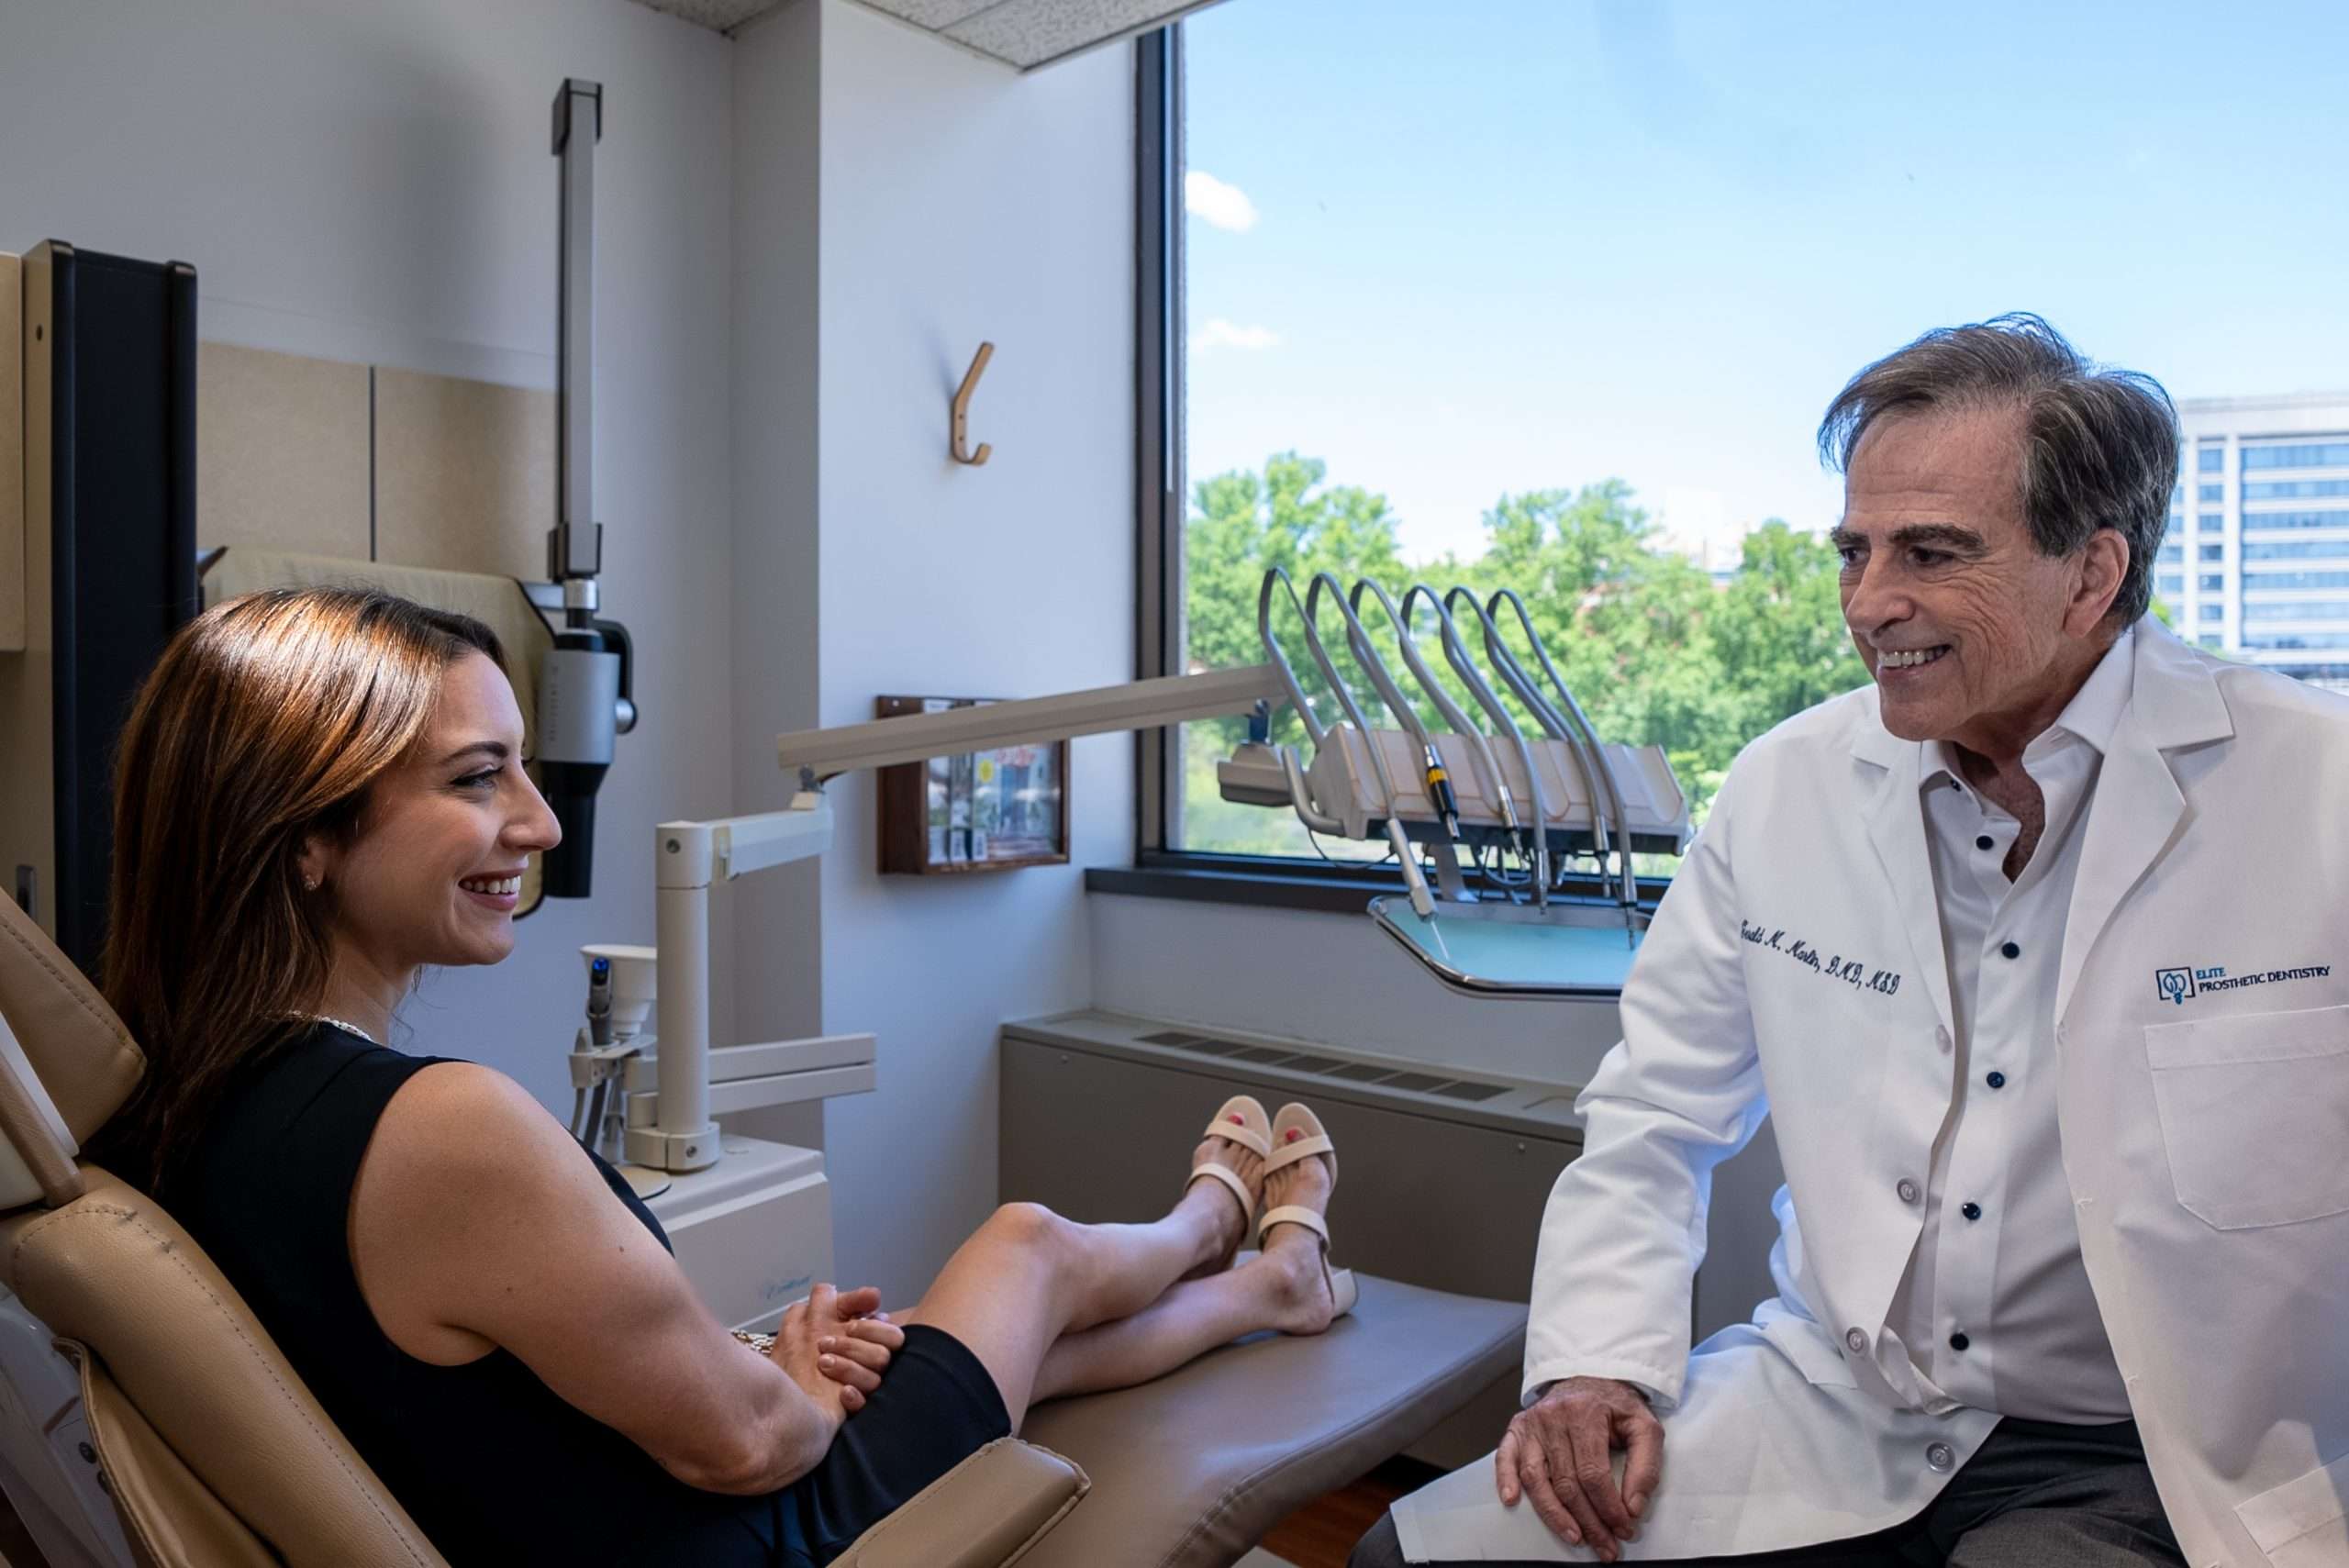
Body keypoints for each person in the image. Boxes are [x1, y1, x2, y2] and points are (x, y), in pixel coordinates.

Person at [1353, 316, 2349, 1567]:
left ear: (2091, 575)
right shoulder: (1785, 789)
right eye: (1856, 550)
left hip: (2158, 1447)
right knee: (1411, 1554)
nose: (1872, 602)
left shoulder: (2317, 791)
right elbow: (1657, 1109)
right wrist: (1598, 1359)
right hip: (1836, 1406)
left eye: (1933, 552)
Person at [91, 586, 1353, 1567]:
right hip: (756, 1535)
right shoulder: (436, 1127)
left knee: (928, 1339)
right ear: (306, 835)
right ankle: (1214, 1222)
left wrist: (766, 1366)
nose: (538, 822)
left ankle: (1270, 1284)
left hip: (594, 1502)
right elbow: (748, 1443)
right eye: (480, 778)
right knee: (1023, 1245)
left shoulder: (171, 1105)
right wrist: (783, 1386)